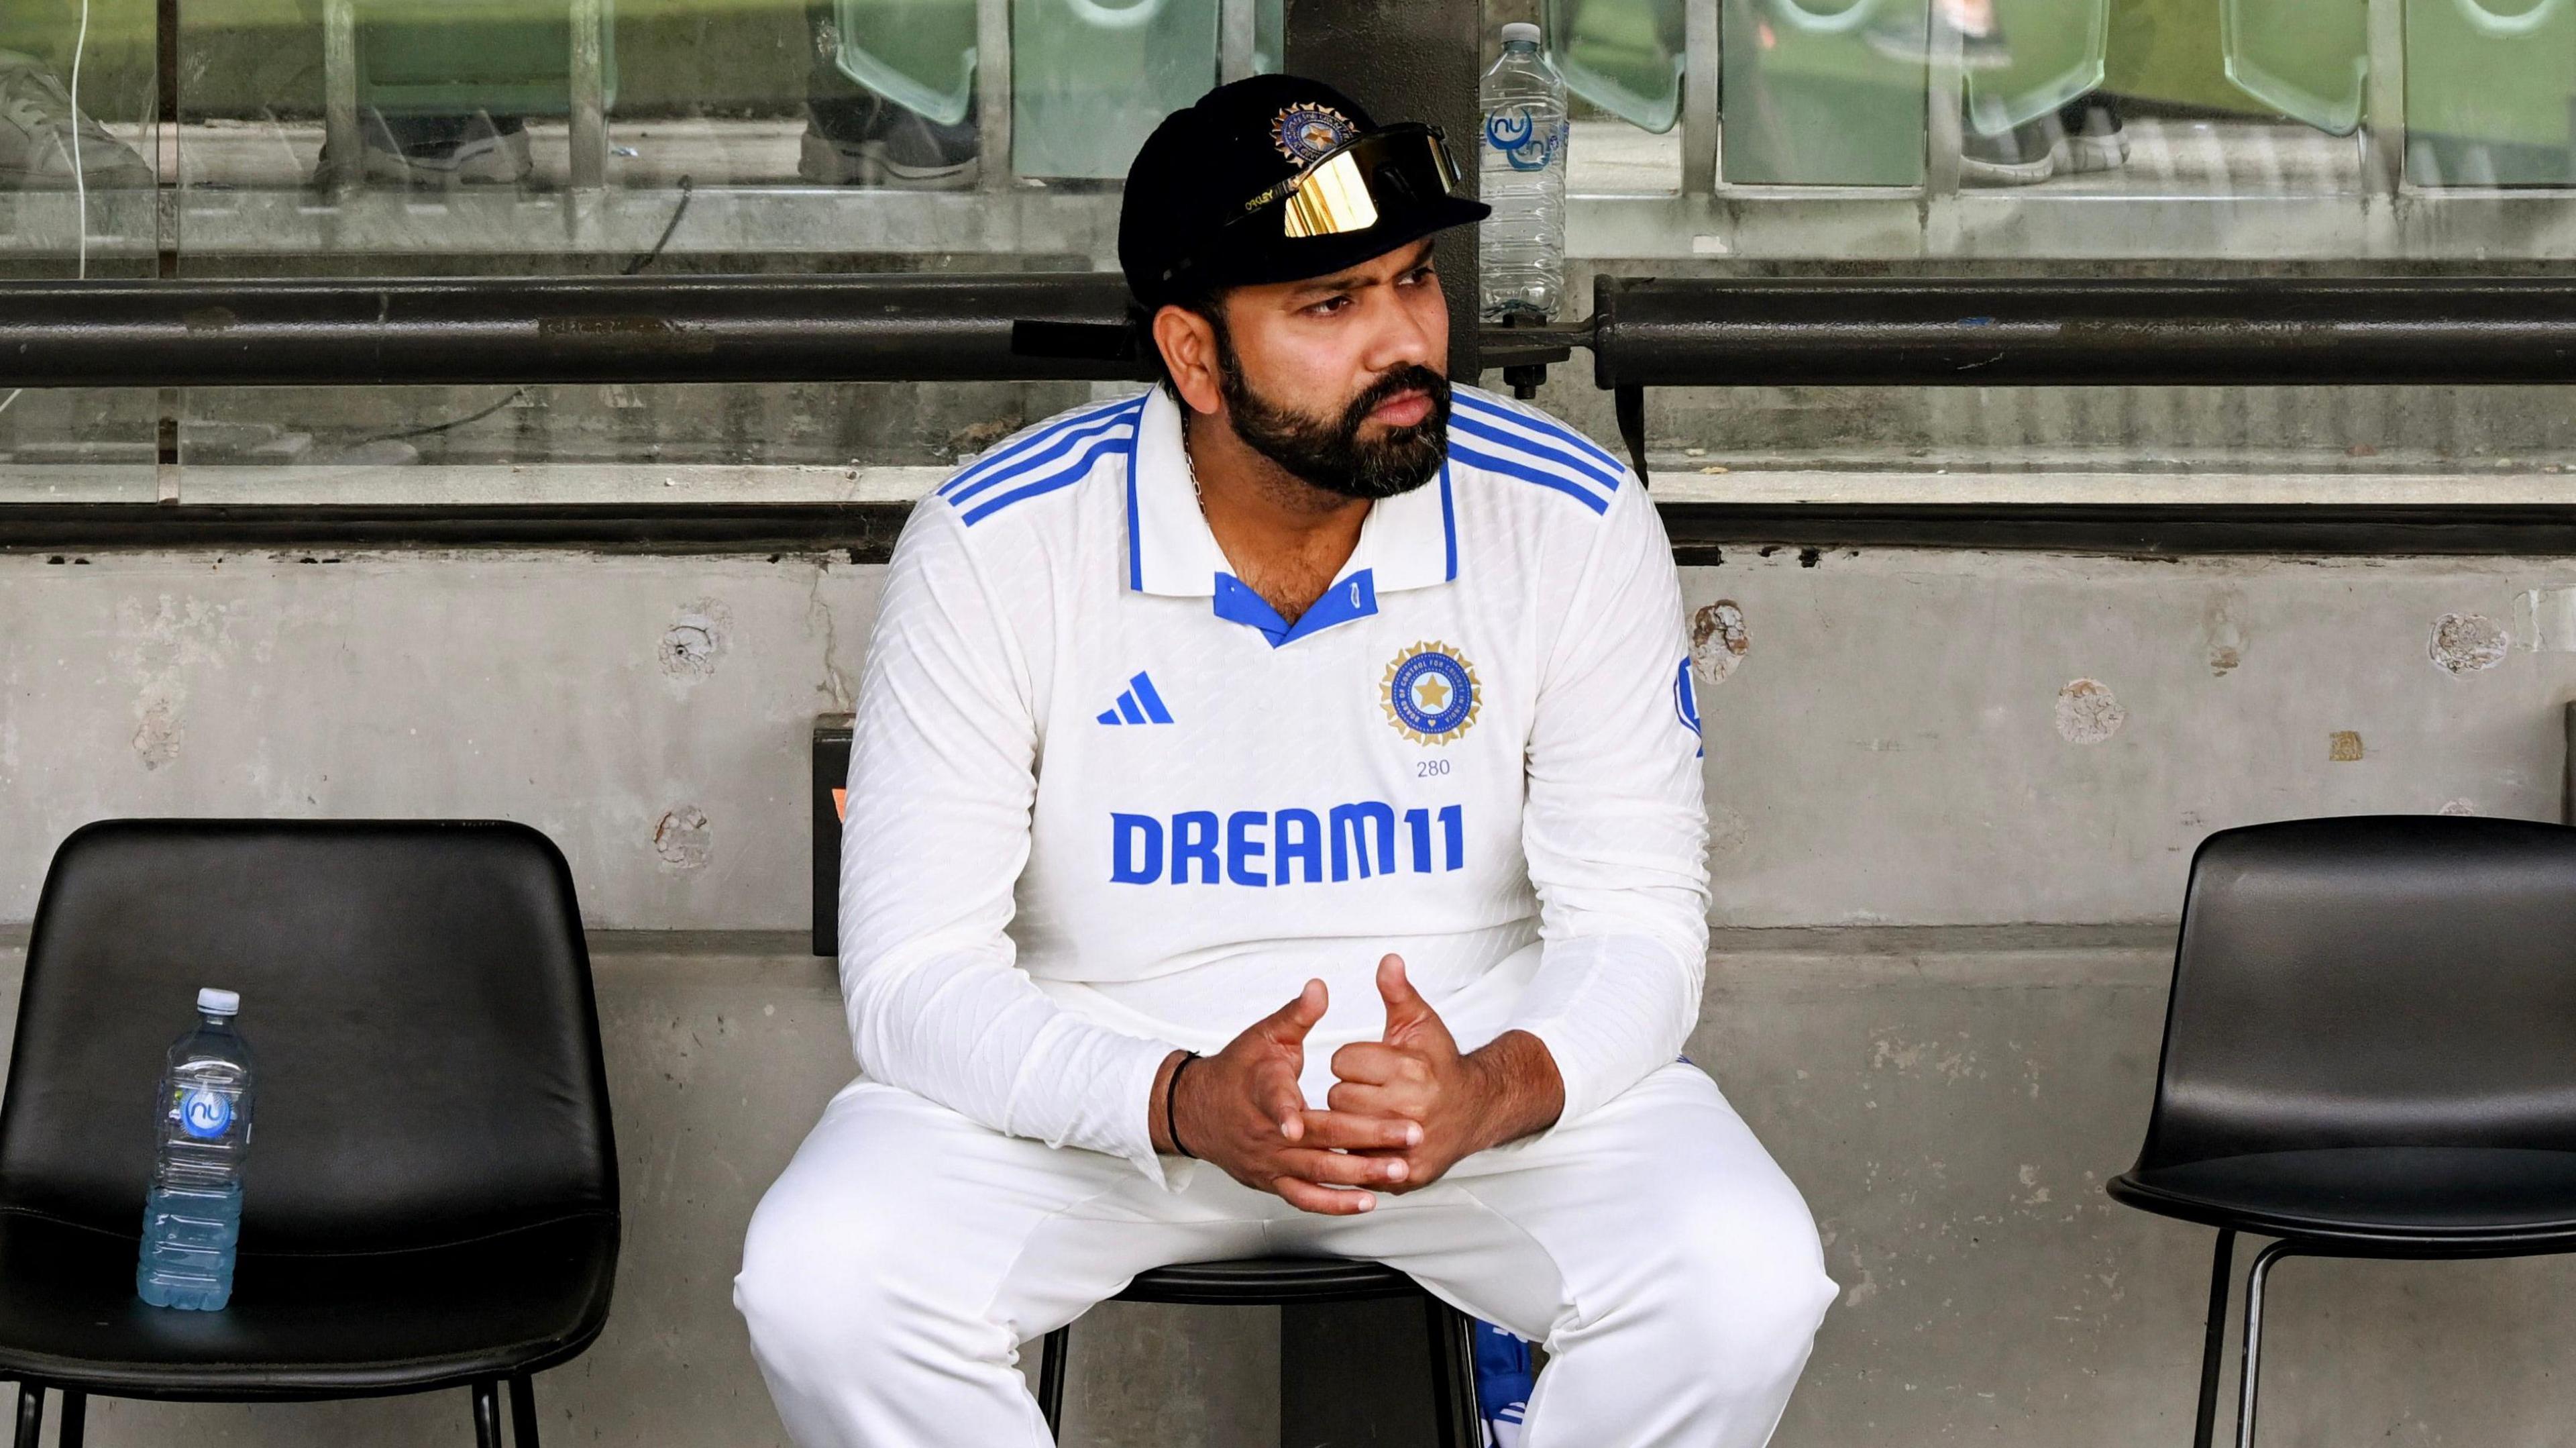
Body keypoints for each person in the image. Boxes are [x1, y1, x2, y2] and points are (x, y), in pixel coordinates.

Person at [735, 73, 1835, 1447]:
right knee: (824, 1281)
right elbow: (913, 979)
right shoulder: (995, 542)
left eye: (1413, 279)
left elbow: (1643, 929)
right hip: (1106, 1081)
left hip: (1460, 1071)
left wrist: (1489, 1083)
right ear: (1194, 359)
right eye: (1331, 306)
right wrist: (1179, 1096)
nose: (1407, 340)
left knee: (1744, 1276)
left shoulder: (1568, 511)